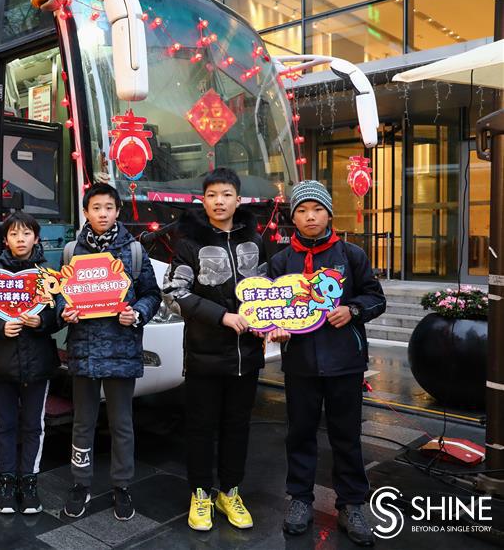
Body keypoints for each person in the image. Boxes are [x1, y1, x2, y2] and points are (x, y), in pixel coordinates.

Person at [267, 180, 386, 547]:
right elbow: (268, 308)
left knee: (346, 437)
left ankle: (351, 504)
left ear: (329, 214)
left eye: (316, 209)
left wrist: (352, 310)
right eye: (301, 211)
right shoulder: (281, 261)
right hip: (300, 364)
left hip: (345, 363)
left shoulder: (351, 255)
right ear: (294, 218)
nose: (309, 217)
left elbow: (375, 298)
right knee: (299, 434)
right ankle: (300, 500)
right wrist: (277, 326)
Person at [162, 167, 266, 531]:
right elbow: (175, 294)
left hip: (248, 356)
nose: (219, 201)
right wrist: (222, 317)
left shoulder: (254, 239)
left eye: (226, 194)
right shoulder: (189, 243)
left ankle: (230, 492)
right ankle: (201, 494)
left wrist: (275, 322)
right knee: (201, 428)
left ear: (239, 199)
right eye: (212, 195)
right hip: (205, 355)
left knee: (238, 427)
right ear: (202, 200)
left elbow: (269, 288)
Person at [58, 183, 161, 521]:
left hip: (121, 349)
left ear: (118, 211)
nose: (102, 213)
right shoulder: (72, 250)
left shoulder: (133, 250)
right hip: (84, 349)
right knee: (82, 423)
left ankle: (122, 485)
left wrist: (138, 313)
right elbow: (60, 291)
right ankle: (80, 482)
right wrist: (64, 310)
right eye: (96, 207)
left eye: (108, 207)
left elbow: (151, 293)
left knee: (122, 423)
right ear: (86, 212)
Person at [0, 211, 60, 515]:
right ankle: (7, 482)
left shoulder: (48, 275)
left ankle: (30, 482)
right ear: (5, 239)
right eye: (13, 234)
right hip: (2, 364)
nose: (20, 239)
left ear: (36, 238)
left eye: (26, 233)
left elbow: (60, 314)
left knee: (34, 426)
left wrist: (42, 321)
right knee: (5, 426)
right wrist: (0, 327)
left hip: (38, 364)